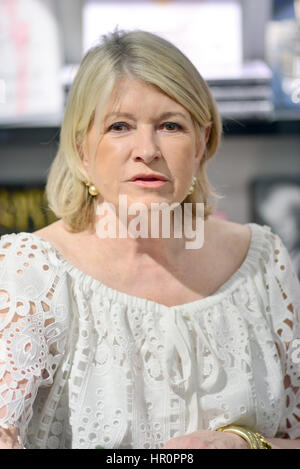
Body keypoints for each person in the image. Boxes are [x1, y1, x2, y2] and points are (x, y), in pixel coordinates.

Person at [0, 29, 300, 450]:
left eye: (170, 126)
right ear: (81, 150)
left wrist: (246, 444)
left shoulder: (264, 259)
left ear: (202, 143)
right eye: (119, 126)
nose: (147, 149)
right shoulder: (29, 272)